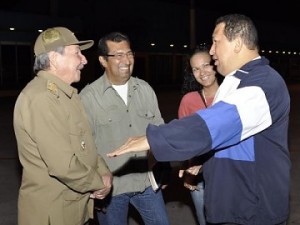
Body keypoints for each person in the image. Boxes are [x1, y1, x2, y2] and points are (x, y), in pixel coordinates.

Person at [107, 14, 291, 225]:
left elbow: (217, 124)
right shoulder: (237, 81)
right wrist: (202, 163)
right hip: (233, 205)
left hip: (253, 212)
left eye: (216, 42)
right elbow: (232, 141)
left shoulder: (263, 84)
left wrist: (154, 138)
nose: (211, 51)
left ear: (238, 43)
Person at [13, 27, 113, 225]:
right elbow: (63, 165)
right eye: (77, 53)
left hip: (71, 208)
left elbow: (85, 144)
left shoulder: (65, 95)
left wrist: (104, 171)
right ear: (54, 59)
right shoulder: (41, 98)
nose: (84, 60)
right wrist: (98, 183)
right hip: (53, 214)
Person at [79, 32, 170, 225]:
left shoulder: (145, 89)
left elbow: (160, 132)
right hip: (112, 189)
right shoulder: (89, 97)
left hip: (145, 183)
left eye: (129, 53)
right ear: (103, 60)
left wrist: (164, 169)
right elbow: (84, 147)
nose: (126, 60)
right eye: (118, 55)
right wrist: (92, 186)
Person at [178, 45, 219, 225]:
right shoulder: (189, 100)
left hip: (227, 174)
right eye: (195, 69)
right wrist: (188, 170)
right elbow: (184, 140)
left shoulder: (233, 97)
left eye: (206, 65)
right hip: (199, 177)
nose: (202, 72)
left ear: (216, 65)